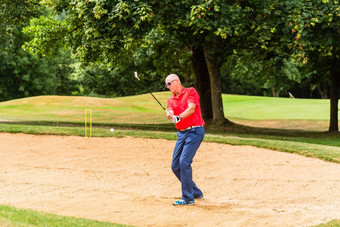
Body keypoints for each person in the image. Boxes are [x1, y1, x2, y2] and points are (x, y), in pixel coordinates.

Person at [165, 74, 205, 206]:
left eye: (169, 83)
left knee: (184, 162)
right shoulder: (170, 100)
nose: (168, 87)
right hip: (182, 134)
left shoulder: (190, 91)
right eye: (166, 85)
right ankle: (196, 192)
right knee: (175, 166)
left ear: (177, 81)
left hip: (194, 131)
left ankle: (188, 198)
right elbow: (170, 111)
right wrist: (170, 115)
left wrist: (179, 117)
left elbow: (191, 108)